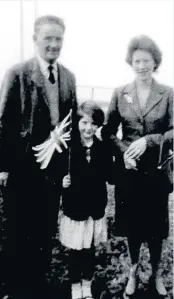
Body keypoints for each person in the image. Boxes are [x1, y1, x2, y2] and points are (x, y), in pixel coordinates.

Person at [0, 15, 77, 299]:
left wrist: (69, 169)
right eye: (48, 38)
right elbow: (4, 122)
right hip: (22, 170)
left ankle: (38, 284)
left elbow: (71, 130)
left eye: (58, 39)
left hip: (53, 173)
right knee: (19, 231)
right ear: (35, 40)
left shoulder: (68, 77)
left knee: (45, 231)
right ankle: (16, 289)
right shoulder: (18, 74)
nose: (54, 45)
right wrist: (3, 168)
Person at [101, 35, 173, 297]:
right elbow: (108, 132)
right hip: (129, 174)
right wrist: (123, 153)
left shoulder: (168, 94)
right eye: (137, 61)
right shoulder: (121, 93)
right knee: (132, 227)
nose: (142, 65)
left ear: (155, 62)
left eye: (147, 61)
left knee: (156, 228)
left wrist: (149, 141)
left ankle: (155, 274)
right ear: (131, 62)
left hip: (157, 172)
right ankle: (132, 271)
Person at [59, 101, 113, 299]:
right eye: (84, 123)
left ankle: (87, 285)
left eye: (92, 123)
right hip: (75, 208)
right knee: (75, 251)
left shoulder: (103, 148)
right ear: (77, 124)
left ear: (98, 125)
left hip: (94, 207)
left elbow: (111, 176)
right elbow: (57, 174)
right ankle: (75, 286)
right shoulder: (69, 148)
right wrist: (61, 181)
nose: (88, 128)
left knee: (89, 250)